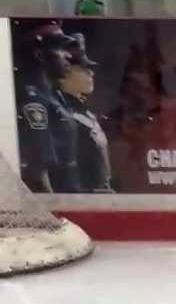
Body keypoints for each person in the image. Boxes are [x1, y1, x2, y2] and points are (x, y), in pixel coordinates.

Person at [15, 22, 80, 193]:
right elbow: (38, 171)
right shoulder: (34, 101)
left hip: (71, 199)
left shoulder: (54, 97)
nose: (67, 55)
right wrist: (55, 215)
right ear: (40, 55)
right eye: (59, 48)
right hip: (58, 203)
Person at [54, 33, 113, 192]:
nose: (91, 74)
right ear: (64, 73)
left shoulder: (87, 114)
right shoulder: (60, 115)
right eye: (83, 69)